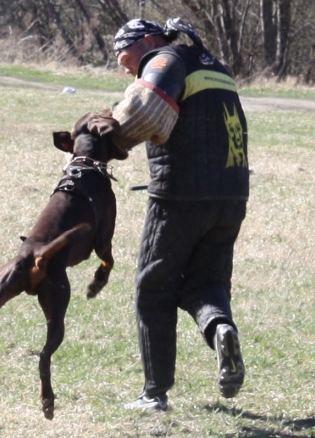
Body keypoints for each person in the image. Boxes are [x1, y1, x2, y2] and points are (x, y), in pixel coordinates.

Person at [106, 17, 250, 411]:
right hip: (232, 195)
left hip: (182, 196)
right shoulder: (214, 66)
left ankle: (154, 393)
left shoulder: (166, 59)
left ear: (148, 40)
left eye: (127, 59)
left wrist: (106, 139)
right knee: (204, 281)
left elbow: (147, 111)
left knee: (154, 287)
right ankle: (221, 328)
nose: (129, 70)